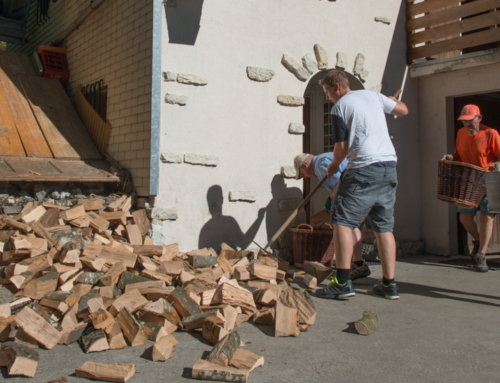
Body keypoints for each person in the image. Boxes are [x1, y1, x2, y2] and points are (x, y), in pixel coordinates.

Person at [315, 69, 408, 300]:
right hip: (388, 168)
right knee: (383, 227)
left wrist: (334, 166)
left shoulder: (340, 107)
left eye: (327, 92)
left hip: (363, 169)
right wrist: (391, 102)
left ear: (336, 86)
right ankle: (389, 284)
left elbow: (342, 147)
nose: (328, 97)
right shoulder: (373, 96)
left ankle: (342, 283)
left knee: (342, 221)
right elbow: (403, 109)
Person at [293, 152, 371, 281]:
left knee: (346, 227)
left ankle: (346, 271)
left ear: (304, 165)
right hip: (359, 189)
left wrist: (331, 199)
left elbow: (340, 183)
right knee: (353, 226)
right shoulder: (323, 160)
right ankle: (358, 264)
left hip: (350, 192)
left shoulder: (320, 164)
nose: (306, 178)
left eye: (302, 174)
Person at [443, 104, 500, 272]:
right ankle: (477, 240)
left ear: (479, 118)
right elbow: (459, 154)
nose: (467, 124)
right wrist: (451, 157)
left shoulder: (491, 134)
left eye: (470, 121)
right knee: (464, 218)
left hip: (487, 179)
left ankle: (481, 254)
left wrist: (497, 165)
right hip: (469, 181)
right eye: (464, 121)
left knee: (487, 216)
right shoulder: (461, 134)